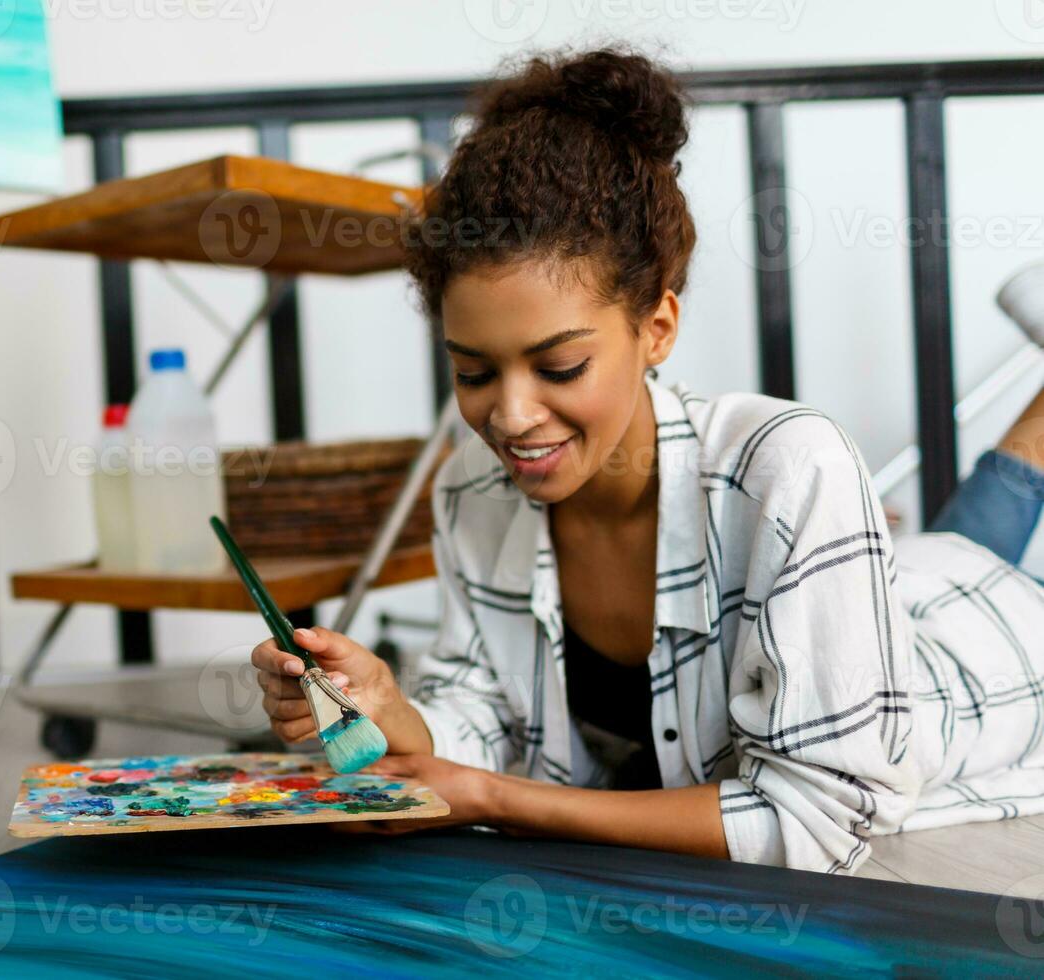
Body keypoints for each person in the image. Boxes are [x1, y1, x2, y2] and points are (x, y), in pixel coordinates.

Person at [250, 46, 1044, 875]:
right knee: (965, 533)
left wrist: (496, 801)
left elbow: (816, 822)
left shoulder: (788, 465)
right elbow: (487, 718)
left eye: (560, 368)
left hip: (994, 653)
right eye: (472, 372)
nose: (511, 417)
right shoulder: (471, 489)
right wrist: (387, 708)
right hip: (898, 580)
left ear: (658, 327)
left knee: (979, 551)